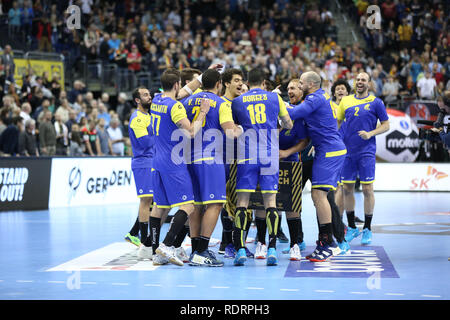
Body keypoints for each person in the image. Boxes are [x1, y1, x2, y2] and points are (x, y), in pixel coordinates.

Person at [145, 68, 210, 267]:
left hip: (157, 162)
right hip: (174, 162)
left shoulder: (156, 99)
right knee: (189, 205)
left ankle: (155, 252)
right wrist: (202, 113)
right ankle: (166, 244)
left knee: (160, 206)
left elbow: (182, 93)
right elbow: (190, 132)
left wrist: (200, 77)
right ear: (176, 85)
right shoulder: (175, 107)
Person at [231, 67, 293, 266]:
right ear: (264, 82)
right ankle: (272, 249)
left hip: (247, 154)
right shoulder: (275, 99)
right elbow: (289, 124)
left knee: (242, 202)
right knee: (270, 203)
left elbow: (233, 127)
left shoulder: (238, 101)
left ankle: (240, 250)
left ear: (247, 82)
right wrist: (276, 126)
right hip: (269, 153)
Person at [183, 69, 243, 267]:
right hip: (211, 159)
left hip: (188, 158)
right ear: (219, 84)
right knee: (215, 204)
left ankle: (195, 250)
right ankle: (202, 250)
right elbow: (231, 133)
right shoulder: (221, 103)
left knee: (197, 206)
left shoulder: (188, 101)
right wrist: (241, 128)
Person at [288, 71, 347, 262]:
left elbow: (295, 112)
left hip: (329, 151)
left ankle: (327, 243)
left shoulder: (314, 97)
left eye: (301, 83)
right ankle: (327, 242)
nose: (299, 84)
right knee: (319, 195)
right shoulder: (319, 97)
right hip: (326, 149)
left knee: (319, 195)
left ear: (310, 84)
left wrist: (272, 101)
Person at [337, 72, 390, 245]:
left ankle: (367, 228)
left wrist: (371, 134)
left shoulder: (376, 102)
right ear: (355, 83)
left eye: (363, 80)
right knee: (347, 189)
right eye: (358, 79)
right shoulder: (345, 101)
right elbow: (337, 124)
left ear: (369, 83)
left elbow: (386, 125)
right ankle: (352, 227)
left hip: (366, 151)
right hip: (347, 152)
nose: (360, 82)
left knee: (367, 189)